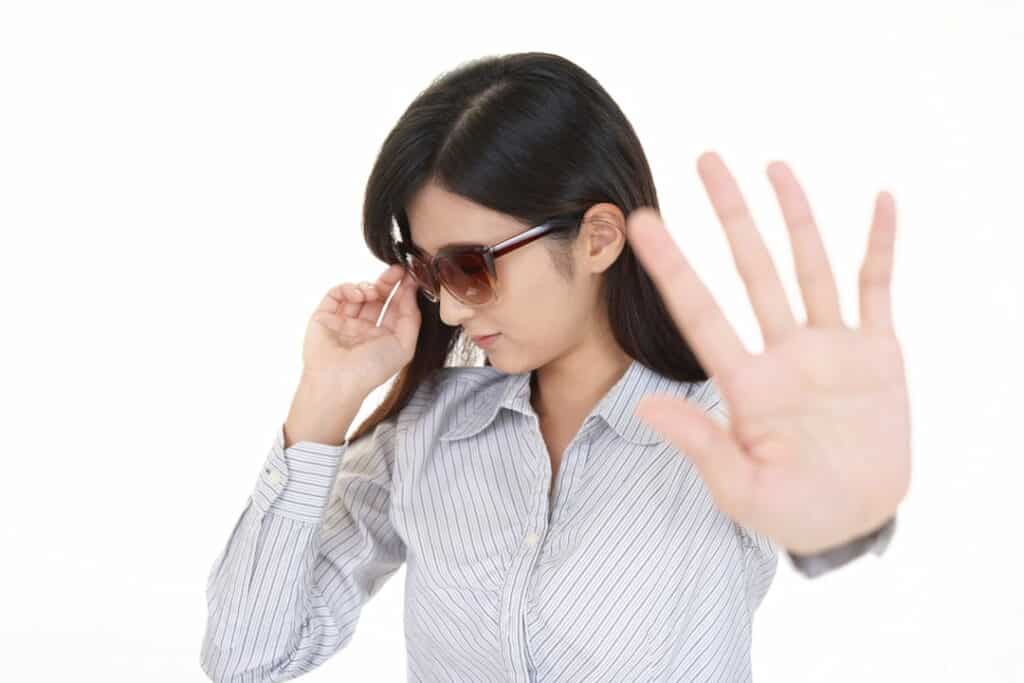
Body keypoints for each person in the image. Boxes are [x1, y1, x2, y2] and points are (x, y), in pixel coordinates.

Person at [200, 52, 909, 682]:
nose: (447, 309)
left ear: (598, 237)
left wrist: (847, 511)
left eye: (470, 266)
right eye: (427, 268)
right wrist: (324, 400)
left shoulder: (730, 432)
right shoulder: (425, 433)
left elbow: (822, 521)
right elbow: (247, 658)